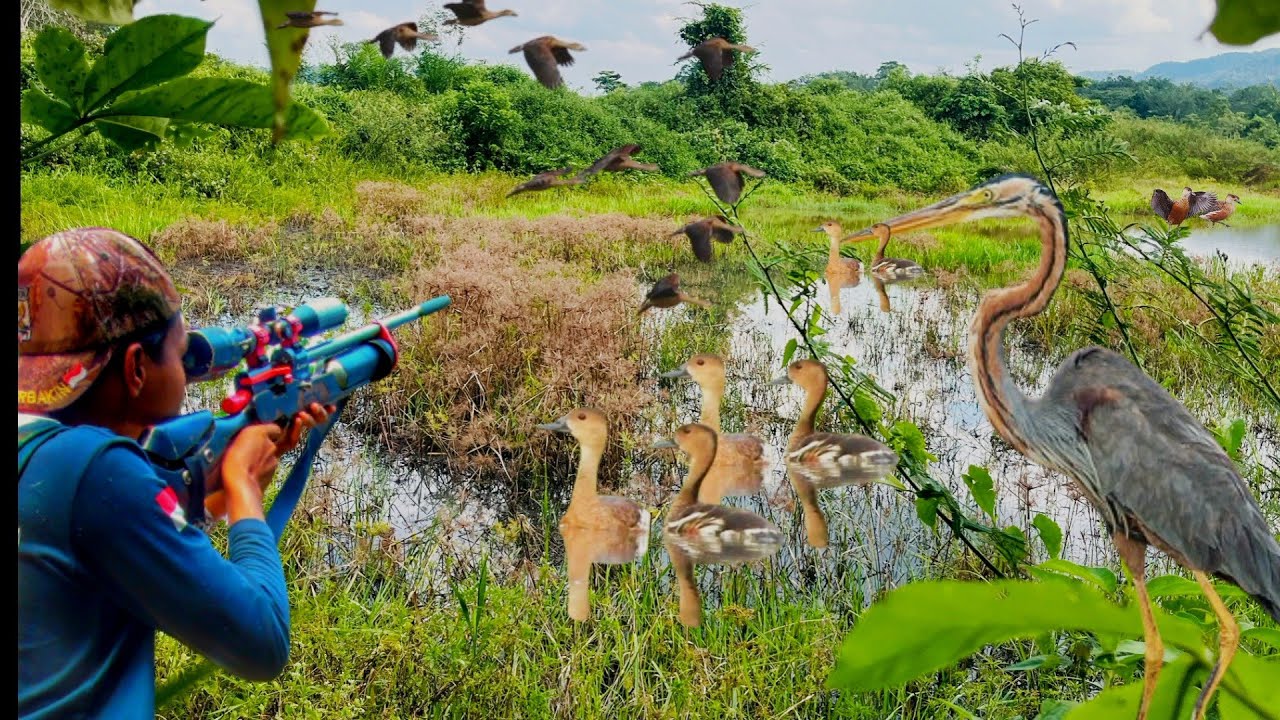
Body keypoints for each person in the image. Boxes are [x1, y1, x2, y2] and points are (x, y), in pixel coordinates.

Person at [17, 227, 335, 718]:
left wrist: (220, 494)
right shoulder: (96, 471)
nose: (188, 372)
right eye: (182, 353)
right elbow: (262, 642)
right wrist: (244, 486)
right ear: (137, 367)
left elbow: (116, 547)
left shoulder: (45, 451)